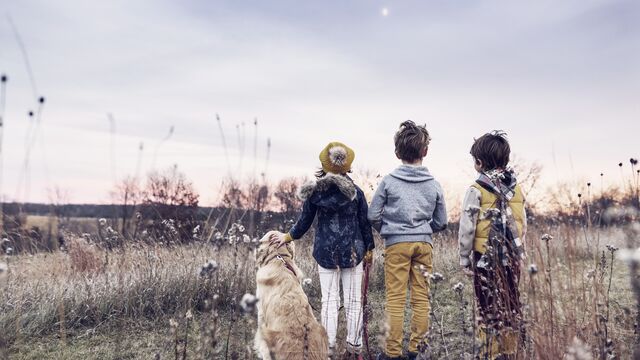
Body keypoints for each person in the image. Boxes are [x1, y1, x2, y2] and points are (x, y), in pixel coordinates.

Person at [273, 141, 375, 360]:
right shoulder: (356, 192)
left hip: (325, 253)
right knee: (354, 301)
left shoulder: (315, 193)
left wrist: (288, 236)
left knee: (329, 302)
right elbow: (365, 224)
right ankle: (354, 349)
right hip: (353, 252)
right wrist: (369, 249)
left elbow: (304, 222)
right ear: (347, 166)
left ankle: (327, 350)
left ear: (324, 165)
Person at [368, 120, 447, 360]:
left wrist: (388, 230)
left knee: (395, 298)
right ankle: (417, 351)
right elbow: (441, 221)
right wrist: (424, 230)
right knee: (421, 297)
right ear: (425, 151)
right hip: (423, 244)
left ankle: (392, 353)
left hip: (396, 245)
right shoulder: (434, 184)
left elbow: (372, 215)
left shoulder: (389, 182)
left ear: (397, 152)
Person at [458, 131, 527, 359]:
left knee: (486, 304)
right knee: (510, 301)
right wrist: (517, 248)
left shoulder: (476, 190)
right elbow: (522, 224)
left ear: (479, 163)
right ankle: (510, 348)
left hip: (483, 258)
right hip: (512, 256)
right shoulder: (515, 188)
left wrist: (464, 257)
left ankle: (489, 351)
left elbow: (467, 228)